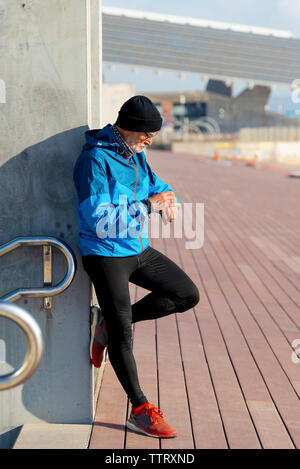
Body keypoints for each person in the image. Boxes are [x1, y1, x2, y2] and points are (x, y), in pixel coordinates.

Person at [73, 96, 200, 439]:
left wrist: (168, 197)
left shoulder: (136, 154)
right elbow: (97, 219)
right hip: (104, 253)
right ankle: (141, 410)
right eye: (148, 136)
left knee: (186, 294)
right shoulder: (94, 161)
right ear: (130, 128)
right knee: (123, 334)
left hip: (136, 248)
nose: (150, 142)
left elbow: (157, 185)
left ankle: (107, 323)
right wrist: (148, 205)